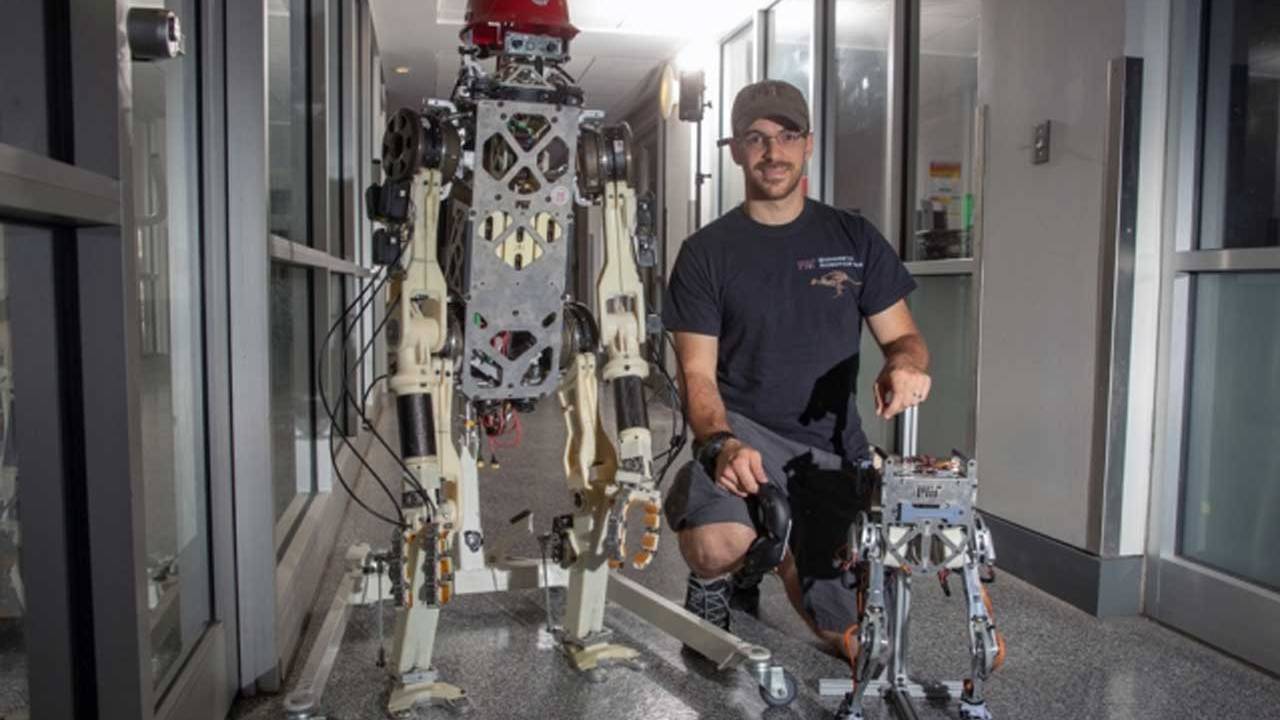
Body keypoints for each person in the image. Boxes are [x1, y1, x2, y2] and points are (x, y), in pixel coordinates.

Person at [661, 79, 931, 656]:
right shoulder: (707, 253)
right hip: (747, 439)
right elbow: (698, 376)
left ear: (808, 144)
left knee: (856, 641)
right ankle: (722, 568)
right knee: (717, 542)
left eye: (786, 136)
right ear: (736, 150)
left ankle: (773, 543)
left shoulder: (852, 237)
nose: (772, 152)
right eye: (756, 138)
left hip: (830, 452)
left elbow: (904, 338)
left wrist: (905, 365)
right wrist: (722, 444)